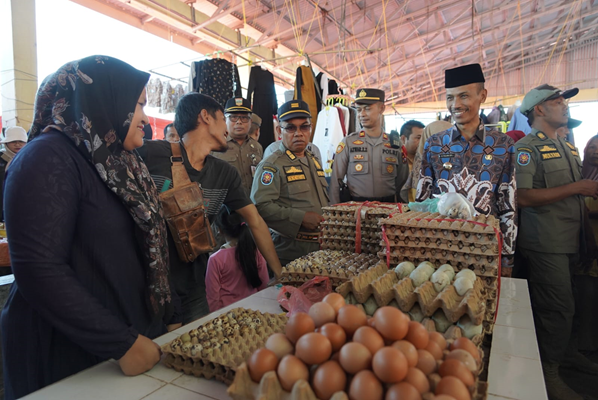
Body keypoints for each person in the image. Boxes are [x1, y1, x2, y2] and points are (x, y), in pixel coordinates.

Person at [0, 56, 176, 399]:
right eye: (138, 104)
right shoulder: (46, 158)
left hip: (123, 347)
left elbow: (149, 246)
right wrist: (121, 343)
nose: (143, 118)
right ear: (102, 100)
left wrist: (169, 315)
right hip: (68, 355)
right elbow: (40, 269)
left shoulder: (119, 162)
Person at [138, 92, 282, 323]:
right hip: (147, 286)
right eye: (222, 118)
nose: (228, 127)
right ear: (205, 116)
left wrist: (279, 274)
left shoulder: (225, 174)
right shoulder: (150, 154)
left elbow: (254, 221)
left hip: (194, 287)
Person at [514, 84, 598, 400]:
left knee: (572, 302)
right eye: (557, 100)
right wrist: (578, 187)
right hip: (545, 241)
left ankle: (567, 353)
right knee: (556, 308)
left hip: (571, 240)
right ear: (539, 109)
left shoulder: (567, 146)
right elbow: (522, 197)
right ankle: (548, 371)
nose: (565, 105)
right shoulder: (528, 149)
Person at [416, 64, 517, 278]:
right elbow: (422, 199)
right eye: (450, 97)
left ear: (483, 95)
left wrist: (507, 258)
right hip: (440, 246)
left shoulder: (503, 145)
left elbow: (508, 205)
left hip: (485, 248)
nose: (456, 105)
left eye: (464, 96)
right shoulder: (434, 144)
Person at [251, 100, 329, 266]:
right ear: (279, 131)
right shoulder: (271, 165)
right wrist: (300, 218)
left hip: (320, 247)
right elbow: (260, 205)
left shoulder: (312, 160)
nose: (298, 133)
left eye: (304, 127)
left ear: (311, 128)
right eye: (291, 128)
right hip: (291, 250)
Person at [329, 88, 409, 204]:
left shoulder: (395, 145)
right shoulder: (348, 143)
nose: (362, 114)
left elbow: (403, 184)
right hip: (356, 210)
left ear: (381, 108)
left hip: (388, 210)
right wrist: (334, 212)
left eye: (367, 109)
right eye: (359, 110)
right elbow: (335, 182)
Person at [206, 206, 269, 312]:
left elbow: (213, 297)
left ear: (219, 230)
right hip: (254, 310)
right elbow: (264, 284)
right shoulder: (255, 252)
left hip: (228, 316)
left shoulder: (215, 259)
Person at [212, 97, 263, 195]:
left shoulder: (257, 147)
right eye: (233, 117)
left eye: (244, 118)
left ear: (250, 122)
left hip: (253, 201)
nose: (239, 122)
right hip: (226, 205)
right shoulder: (215, 146)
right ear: (224, 120)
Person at [577, 135, 598, 354]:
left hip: (592, 240)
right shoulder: (579, 173)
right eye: (592, 146)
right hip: (581, 242)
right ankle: (583, 341)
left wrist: (586, 213)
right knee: (585, 291)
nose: (596, 151)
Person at [400, 120, 452, 204]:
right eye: (439, 139)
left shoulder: (459, 161)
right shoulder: (421, 167)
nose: (444, 144)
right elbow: (416, 202)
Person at [0, 126, 28, 221]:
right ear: (6, 143)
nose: (17, 144)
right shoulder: (1, 158)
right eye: (13, 141)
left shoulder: (30, 158)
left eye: (21, 141)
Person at [399, 120, 425, 202]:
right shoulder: (397, 160)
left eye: (424, 138)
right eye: (418, 138)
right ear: (403, 139)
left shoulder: (426, 161)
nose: (423, 142)